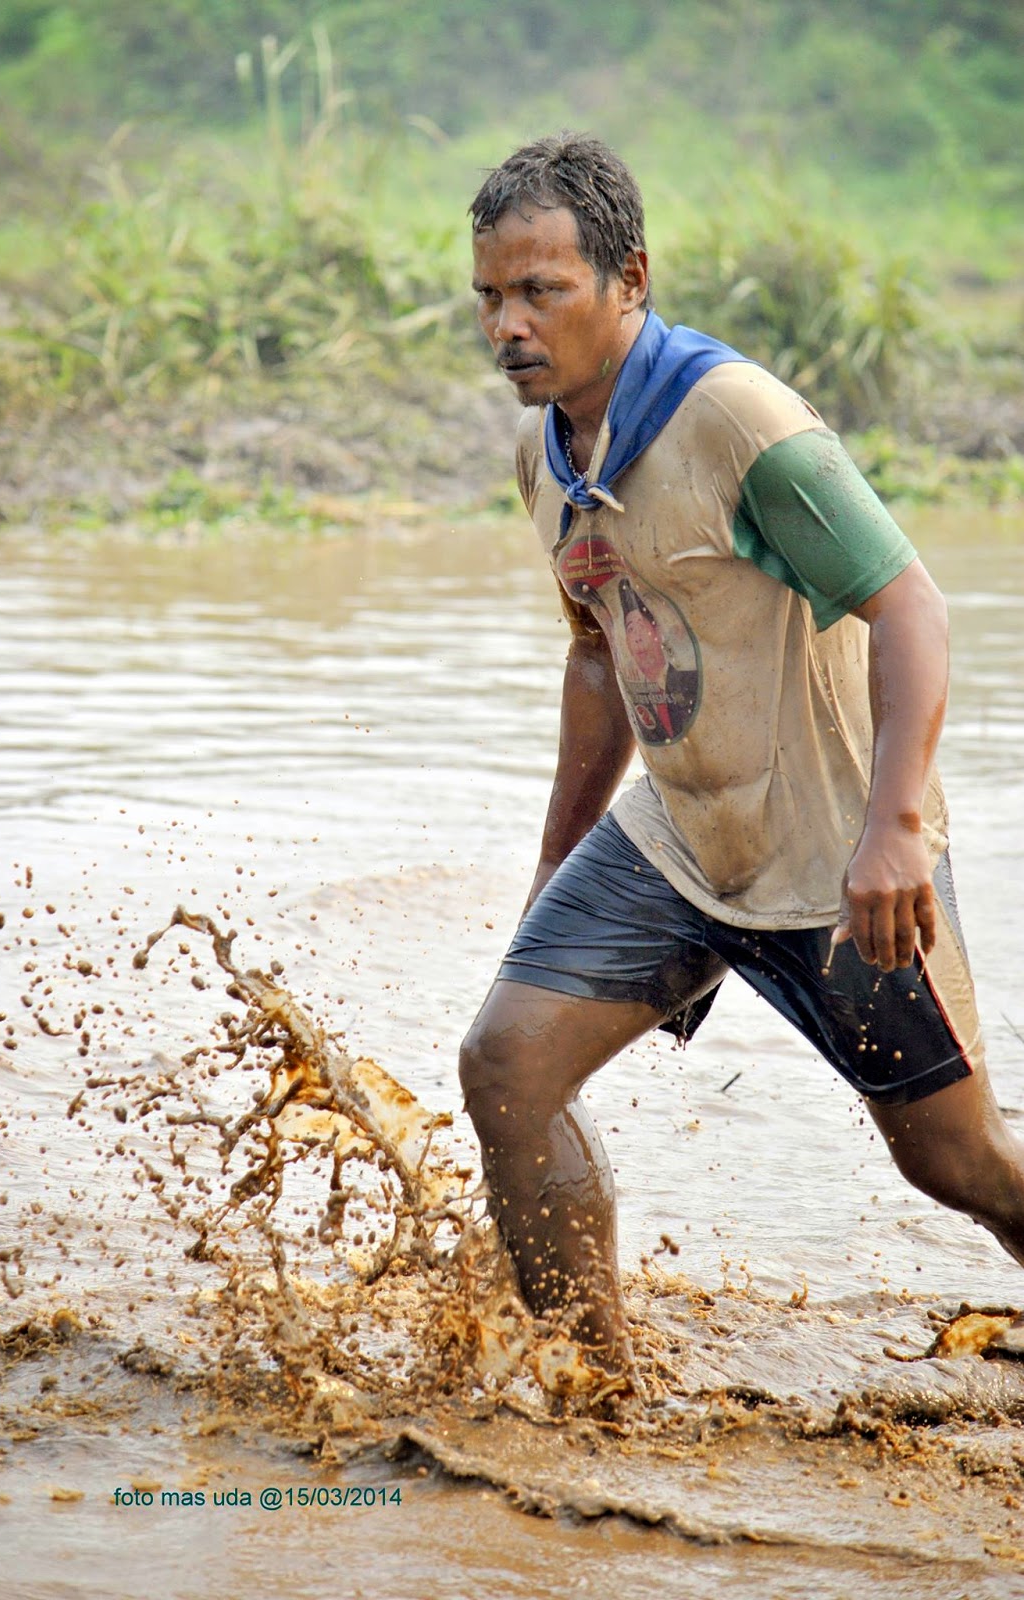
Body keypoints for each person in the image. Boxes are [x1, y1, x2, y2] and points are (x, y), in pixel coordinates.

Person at [458, 132, 1024, 1388]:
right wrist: (558, 865)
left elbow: (914, 606)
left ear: (630, 280)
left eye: (542, 289)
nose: (509, 324)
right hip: (679, 837)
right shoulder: (546, 454)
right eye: (491, 295)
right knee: (507, 1063)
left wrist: (894, 832)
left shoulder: (738, 420)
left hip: (834, 853)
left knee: (955, 1161)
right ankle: (589, 1391)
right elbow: (604, 656)